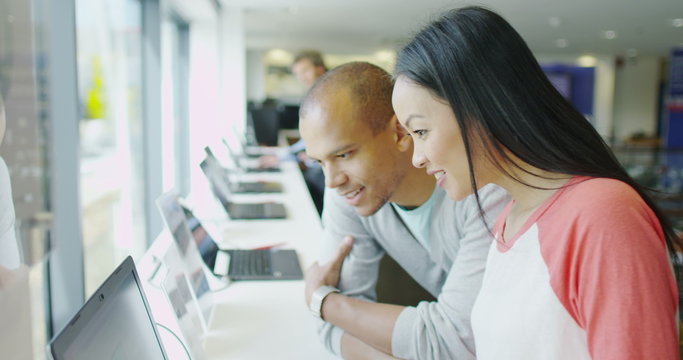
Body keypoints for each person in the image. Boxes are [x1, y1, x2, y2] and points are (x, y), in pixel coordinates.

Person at [392, 6, 680, 359]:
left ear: (479, 106)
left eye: (421, 131)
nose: (417, 157)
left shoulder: (602, 214)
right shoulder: (507, 220)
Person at [301, 62, 509, 359]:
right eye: (320, 162)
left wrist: (324, 302)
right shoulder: (348, 194)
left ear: (399, 132)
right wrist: (330, 310)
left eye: (344, 154)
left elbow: (454, 342)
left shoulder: (482, 191)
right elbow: (331, 328)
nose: (332, 181)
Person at [258, 50, 327, 214]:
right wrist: (283, 155)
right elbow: (309, 137)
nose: (302, 77)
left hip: (325, 170)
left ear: (319, 68)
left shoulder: (329, 94)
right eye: (298, 74)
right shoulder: (314, 94)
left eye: (305, 71)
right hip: (316, 167)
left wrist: (287, 155)